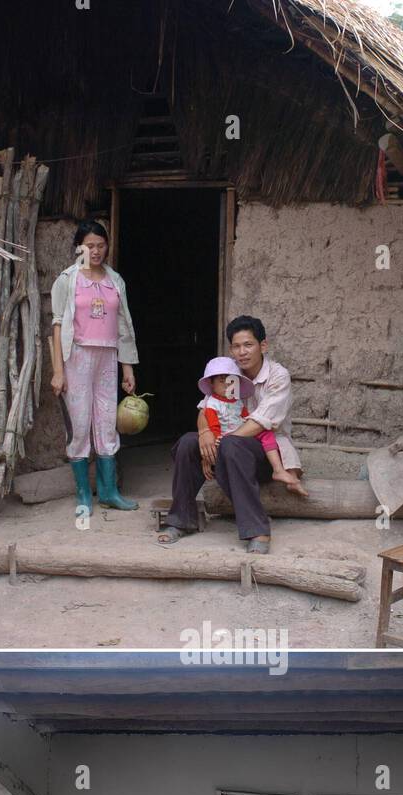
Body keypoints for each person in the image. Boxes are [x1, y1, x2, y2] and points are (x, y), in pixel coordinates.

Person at [159, 315, 305, 554]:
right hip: (226, 449)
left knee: (232, 444)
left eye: (248, 345)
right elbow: (204, 408)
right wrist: (205, 430)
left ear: (263, 346)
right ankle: (181, 520)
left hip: (266, 453)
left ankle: (257, 529)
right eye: (236, 346)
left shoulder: (278, 376)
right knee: (188, 442)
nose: (242, 352)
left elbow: (260, 423)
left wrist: (217, 444)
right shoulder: (228, 370)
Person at [49, 220, 139, 514]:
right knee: (80, 423)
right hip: (77, 356)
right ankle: (83, 496)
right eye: (90, 245)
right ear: (80, 247)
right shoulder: (67, 279)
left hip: (108, 358)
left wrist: (128, 368)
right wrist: (58, 371)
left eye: (101, 245)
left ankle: (109, 492)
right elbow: (57, 324)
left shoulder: (115, 280)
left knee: (106, 422)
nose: (96, 251)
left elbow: (124, 326)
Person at [197, 355, 307, 494]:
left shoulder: (275, 376)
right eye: (221, 381)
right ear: (211, 385)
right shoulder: (213, 400)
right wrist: (207, 440)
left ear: (262, 345)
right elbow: (208, 419)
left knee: (268, 434)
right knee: (192, 443)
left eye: (248, 344)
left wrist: (239, 429)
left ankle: (280, 471)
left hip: (245, 437)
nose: (227, 384)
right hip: (225, 438)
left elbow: (249, 418)